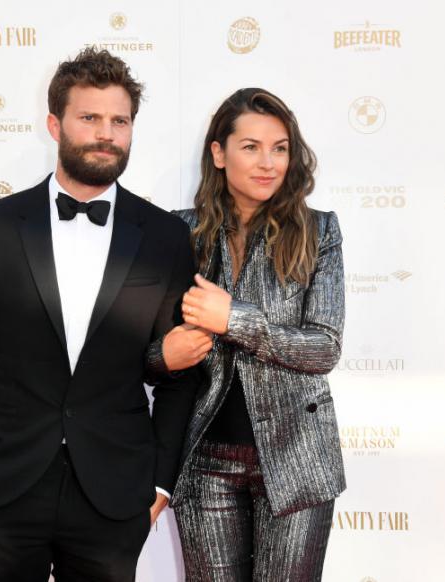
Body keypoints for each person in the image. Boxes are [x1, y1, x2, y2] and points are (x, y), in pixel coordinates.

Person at [0, 47, 207, 582]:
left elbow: (180, 374)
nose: (106, 134)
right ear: (55, 124)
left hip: (113, 497)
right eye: (89, 117)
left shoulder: (165, 237)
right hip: (0, 491)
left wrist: (158, 487)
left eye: (119, 121)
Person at [149, 88, 346, 581]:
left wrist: (233, 319)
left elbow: (324, 347)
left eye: (280, 148)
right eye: (251, 147)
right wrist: (163, 356)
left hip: (298, 461)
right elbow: (148, 353)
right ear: (219, 153)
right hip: (203, 462)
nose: (268, 163)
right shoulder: (178, 233)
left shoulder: (319, 231)